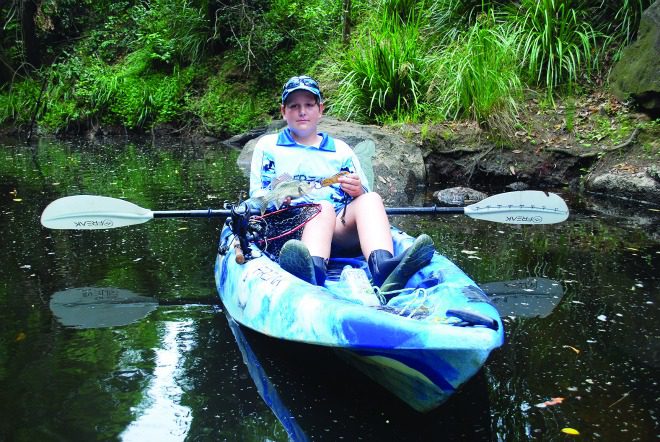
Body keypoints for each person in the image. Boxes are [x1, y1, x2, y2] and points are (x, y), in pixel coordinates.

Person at [249, 75, 434, 292]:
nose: (302, 111)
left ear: (320, 109)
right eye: (294, 106)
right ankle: (313, 269)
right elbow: (259, 194)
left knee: (371, 199)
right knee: (322, 208)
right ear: (283, 111)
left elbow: (363, 190)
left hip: (338, 227)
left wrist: (358, 190)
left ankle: (383, 267)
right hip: (290, 229)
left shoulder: (341, 150)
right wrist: (278, 200)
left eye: (309, 105)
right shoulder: (269, 146)